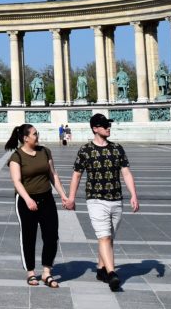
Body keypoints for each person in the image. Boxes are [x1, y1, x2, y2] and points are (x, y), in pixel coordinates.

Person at [66, 114, 140, 292]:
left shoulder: (117, 148)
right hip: (96, 199)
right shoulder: (85, 150)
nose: (109, 127)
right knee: (104, 236)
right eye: (105, 125)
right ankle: (112, 273)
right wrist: (71, 198)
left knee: (108, 238)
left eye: (109, 125)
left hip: (116, 199)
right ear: (95, 128)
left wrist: (133, 195)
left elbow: (126, 173)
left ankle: (100, 269)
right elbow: (77, 174)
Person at [6, 123, 71, 289]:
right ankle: (30, 272)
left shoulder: (45, 151)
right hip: (26, 200)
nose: (38, 136)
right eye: (35, 134)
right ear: (26, 138)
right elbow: (16, 181)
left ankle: (46, 272)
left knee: (51, 235)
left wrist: (64, 196)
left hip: (46, 198)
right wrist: (27, 199)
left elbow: (53, 175)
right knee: (29, 236)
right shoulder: (16, 157)